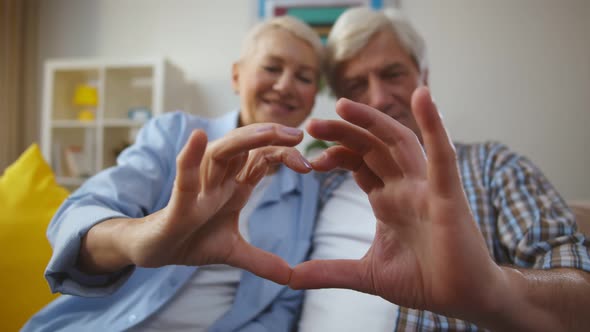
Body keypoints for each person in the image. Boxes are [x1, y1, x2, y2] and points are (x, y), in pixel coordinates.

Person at [292, 7, 590, 331]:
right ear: (340, 98)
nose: (378, 98)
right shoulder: (322, 183)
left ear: (424, 77)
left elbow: (581, 294)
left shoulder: (492, 167)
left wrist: (496, 288)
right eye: (356, 84)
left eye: (392, 74)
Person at [23, 15, 324, 331]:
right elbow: (79, 213)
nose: (286, 85)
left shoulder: (309, 190)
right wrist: (140, 238)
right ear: (236, 76)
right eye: (272, 68)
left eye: (304, 77)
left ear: (314, 97)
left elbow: (282, 309)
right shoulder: (175, 135)